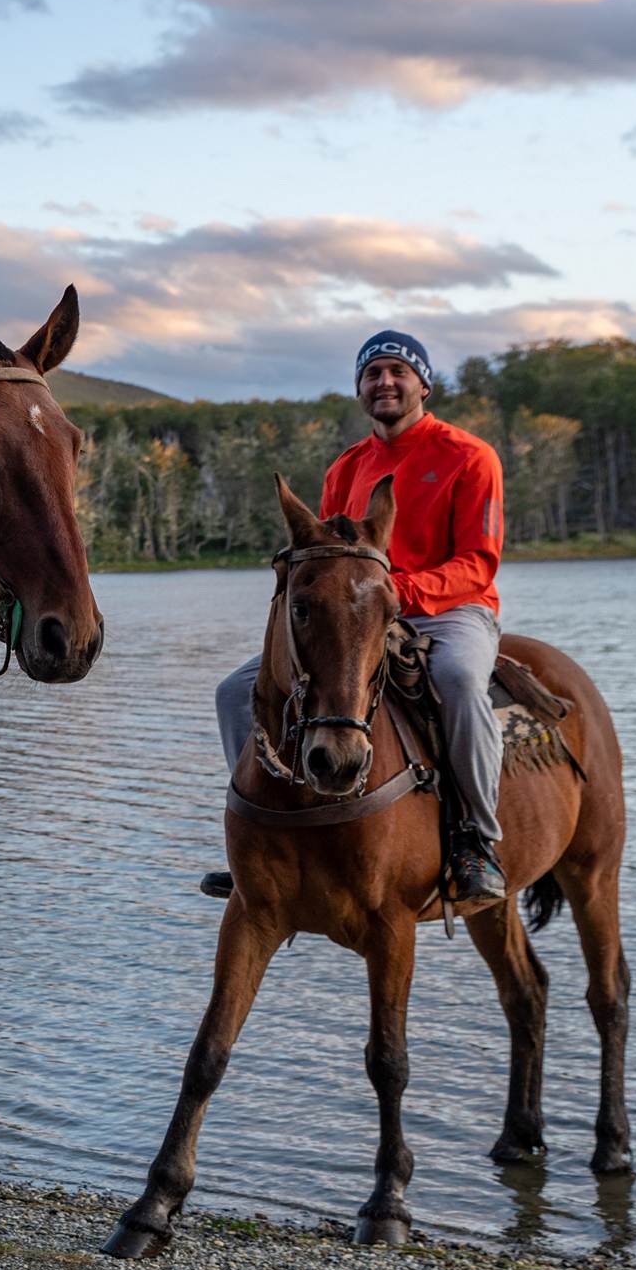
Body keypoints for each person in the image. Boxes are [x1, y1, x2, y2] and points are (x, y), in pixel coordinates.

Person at [204, 330, 509, 906]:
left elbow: (480, 562)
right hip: (363, 616)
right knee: (234, 691)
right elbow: (328, 555)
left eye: (397, 372)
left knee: (463, 684)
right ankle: (258, 834)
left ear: (423, 384)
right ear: (360, 389)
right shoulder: (348, 467)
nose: (384, 383)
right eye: (372, 374)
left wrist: (398, 592)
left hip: (451, 611)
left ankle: (476, 840)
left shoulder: (469, 456)